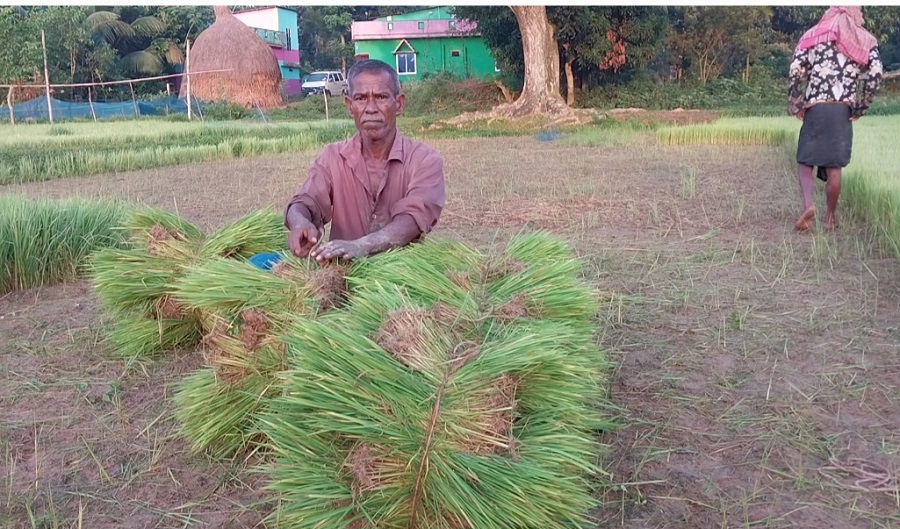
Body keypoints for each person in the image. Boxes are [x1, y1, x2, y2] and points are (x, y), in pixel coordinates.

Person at [284, 59, 446, 263]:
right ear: (350, 106)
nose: (371, 108)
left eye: (381, 97)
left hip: (401, 284)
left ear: (399, 104)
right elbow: (305, 202)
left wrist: (362, 245)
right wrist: (300, 222)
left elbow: (414, 218)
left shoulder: (425, 160)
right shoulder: (332, 157)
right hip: (340, 278)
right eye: (361, 98)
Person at [788, 6, 883, 232]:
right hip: (842, 110)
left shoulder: (812, 35)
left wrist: (796, 102)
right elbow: (876, 74)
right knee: (834, 166)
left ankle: (809, 205)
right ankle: (830, 218)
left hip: (815, 107)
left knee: (805, 161)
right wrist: (861, 106)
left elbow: (795, 70)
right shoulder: (865, 40)